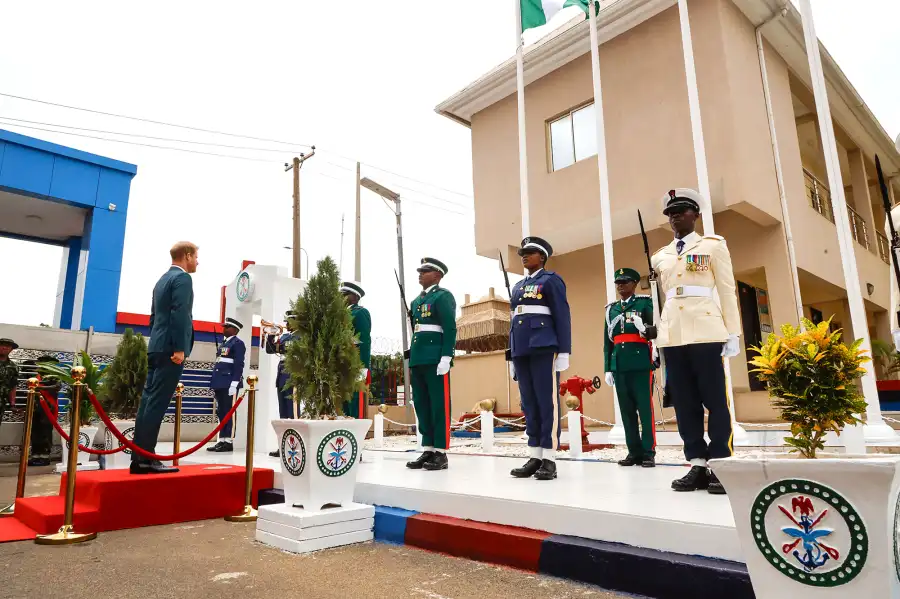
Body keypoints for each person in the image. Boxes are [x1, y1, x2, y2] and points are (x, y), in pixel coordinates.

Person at [650, 189, 741, 495]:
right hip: (673, 334)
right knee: (686, 402)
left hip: (705, 330)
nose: (675, 217)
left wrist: (733, 332)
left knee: (714, 400)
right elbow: (662, 299)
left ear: (695, 214)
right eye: (671, 213)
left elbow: (727, 290)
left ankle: (721, 462)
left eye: (682, 211)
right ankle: (698, 463)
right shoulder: (660, 256)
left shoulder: (712, 246)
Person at [131, 241, 198, 475]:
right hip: (171, 350)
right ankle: (147, 459)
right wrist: (179, 348)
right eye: (196, 256)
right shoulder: (183, 279)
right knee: (157, 404)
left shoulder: (162, 280)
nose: (198, 261)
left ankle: (139, 457)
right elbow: (180, 313)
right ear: (187, 255)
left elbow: (153, 317)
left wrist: (157, 342)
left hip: (157, 346)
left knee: (148, 402)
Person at [507, 237, 571, 481]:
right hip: (521, 348)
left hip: (544, 345)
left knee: (547, 402)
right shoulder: (518, 286)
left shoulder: (551, 280)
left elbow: (562, 315)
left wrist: (564, 350)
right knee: (528, 402)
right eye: (523, 253)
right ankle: (534, 454)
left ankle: (549, 458)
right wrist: (511, 354)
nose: (524, 256)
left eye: (530, 252)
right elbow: (513, 323)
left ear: (542, 257)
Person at [405, 258, 457, 472]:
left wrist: (447, 357)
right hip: (418, 358)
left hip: (435, 359)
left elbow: (450, 328)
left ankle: (441, 452)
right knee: (422, 405)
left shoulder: (443, 296)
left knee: (438, 405)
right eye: (420, 270)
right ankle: (427, 448)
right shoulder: (416, 301)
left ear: (437, 275)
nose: (420, 274)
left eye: (425, 271)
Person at [603, 268, 657, 468]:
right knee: (626, 411)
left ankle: (648, 452)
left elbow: (655, 331)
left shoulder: (644, 303)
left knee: (644, 409)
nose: (621, 285)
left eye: (625, 282)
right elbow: (607, 342)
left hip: (641, 362)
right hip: (620, 364)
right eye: (618, 282)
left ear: (634, 284)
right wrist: (608, 367)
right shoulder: (611, 309)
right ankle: (633, 452)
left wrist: (643, 328)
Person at [207, 317, 246, 453]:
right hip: (220, 382)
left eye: (227, 327)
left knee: (229, 412)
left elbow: (239, 364)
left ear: (234, 330)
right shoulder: (224, 344)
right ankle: (222, 439)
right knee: (221, 411)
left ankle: (229, 441)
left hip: (229, 382)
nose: (224, 329)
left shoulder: (238, 343)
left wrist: (234, 383)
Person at [265, 311, 296, 457]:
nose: (286, 324)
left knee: (293, 414)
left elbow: (290, 349)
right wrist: (271, 335)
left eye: (289, 321)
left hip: (293, 378)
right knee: (283, 414)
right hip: (282, 377)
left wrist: (282, 347)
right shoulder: (284, 336)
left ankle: (295, 445)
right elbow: (270, 350)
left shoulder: (301, 336)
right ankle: (283, 446)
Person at [341, 281, 372, 419]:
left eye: (344, 294)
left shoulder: (360, 313)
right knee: (343, 404)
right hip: (342, 364)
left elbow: (364, 340)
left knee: (355, 403)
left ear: (354, 296)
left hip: (355, 364)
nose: (341, 297)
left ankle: (357, 437)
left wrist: (363, 367)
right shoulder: (340, 315)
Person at [30, 354, 61, 467]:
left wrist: (40, 387)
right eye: (42, 362)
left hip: (48, 406)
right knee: (35, 432)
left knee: (45, 432)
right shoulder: (37, 375)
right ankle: (35, 455)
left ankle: (44, 456)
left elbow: (57, 387)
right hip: (36, 407)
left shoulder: (55, 375)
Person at [0, 338, 19, 437]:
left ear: (11, 349)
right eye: (2, 344)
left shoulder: (13, 367)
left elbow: (13, 386)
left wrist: (12, 404)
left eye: (7, 346)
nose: (4, 347)